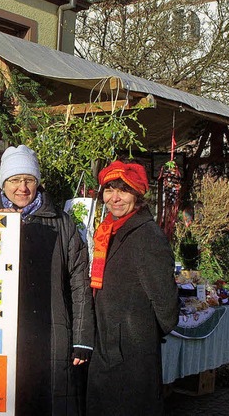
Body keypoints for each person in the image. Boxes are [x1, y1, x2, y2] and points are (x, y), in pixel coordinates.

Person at [0, 145, 94, 415]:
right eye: (14, 180)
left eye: (29, 180)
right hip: (4, 332)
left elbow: (79, 283)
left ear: (38, 183)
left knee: (47, 402)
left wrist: (82, 338)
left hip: (49, 330)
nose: (22, 188)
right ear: (4, 185)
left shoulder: (62, 222)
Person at [86, 160, 180, 415]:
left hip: (132, 354)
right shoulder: (109, 230)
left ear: (137, 195)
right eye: (109, 189)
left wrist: (139, 332)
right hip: (109, 347)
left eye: (123, 190)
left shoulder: (147, 236)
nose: (114, 198)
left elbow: (166, 305)